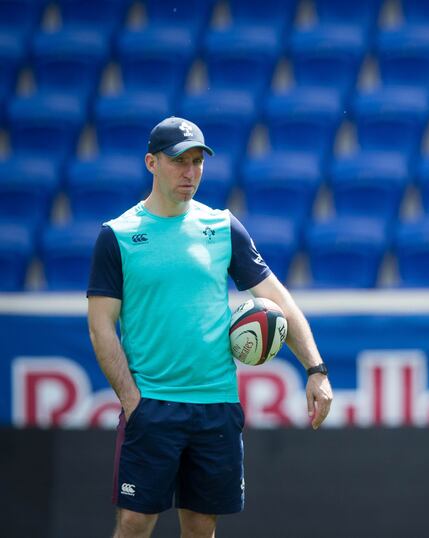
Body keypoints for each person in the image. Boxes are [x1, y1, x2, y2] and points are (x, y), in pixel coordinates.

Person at [86, 117, 333, 538]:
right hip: (153, 403)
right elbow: (101, 327)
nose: (191, 172)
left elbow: (277, 298)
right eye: (180, 160)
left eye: (198, 161)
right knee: (134, 522)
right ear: (151, 162)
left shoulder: (221, 227)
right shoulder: (118, 235)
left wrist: (315, 369)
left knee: (201, 526)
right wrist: (132, 400)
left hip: (215, 404)